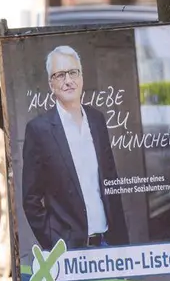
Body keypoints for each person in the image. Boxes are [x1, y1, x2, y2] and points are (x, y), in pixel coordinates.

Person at [21, 45, 146, 249]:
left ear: (81, 77)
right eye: (60, 75)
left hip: (108, 244)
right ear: (50, 83)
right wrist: (54, 243)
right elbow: (31, 199)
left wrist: (123, 246)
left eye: (73, 72)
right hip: (69, 251)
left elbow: (111, 185)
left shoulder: (97, 121)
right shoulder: (39, 130)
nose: (68, 81)